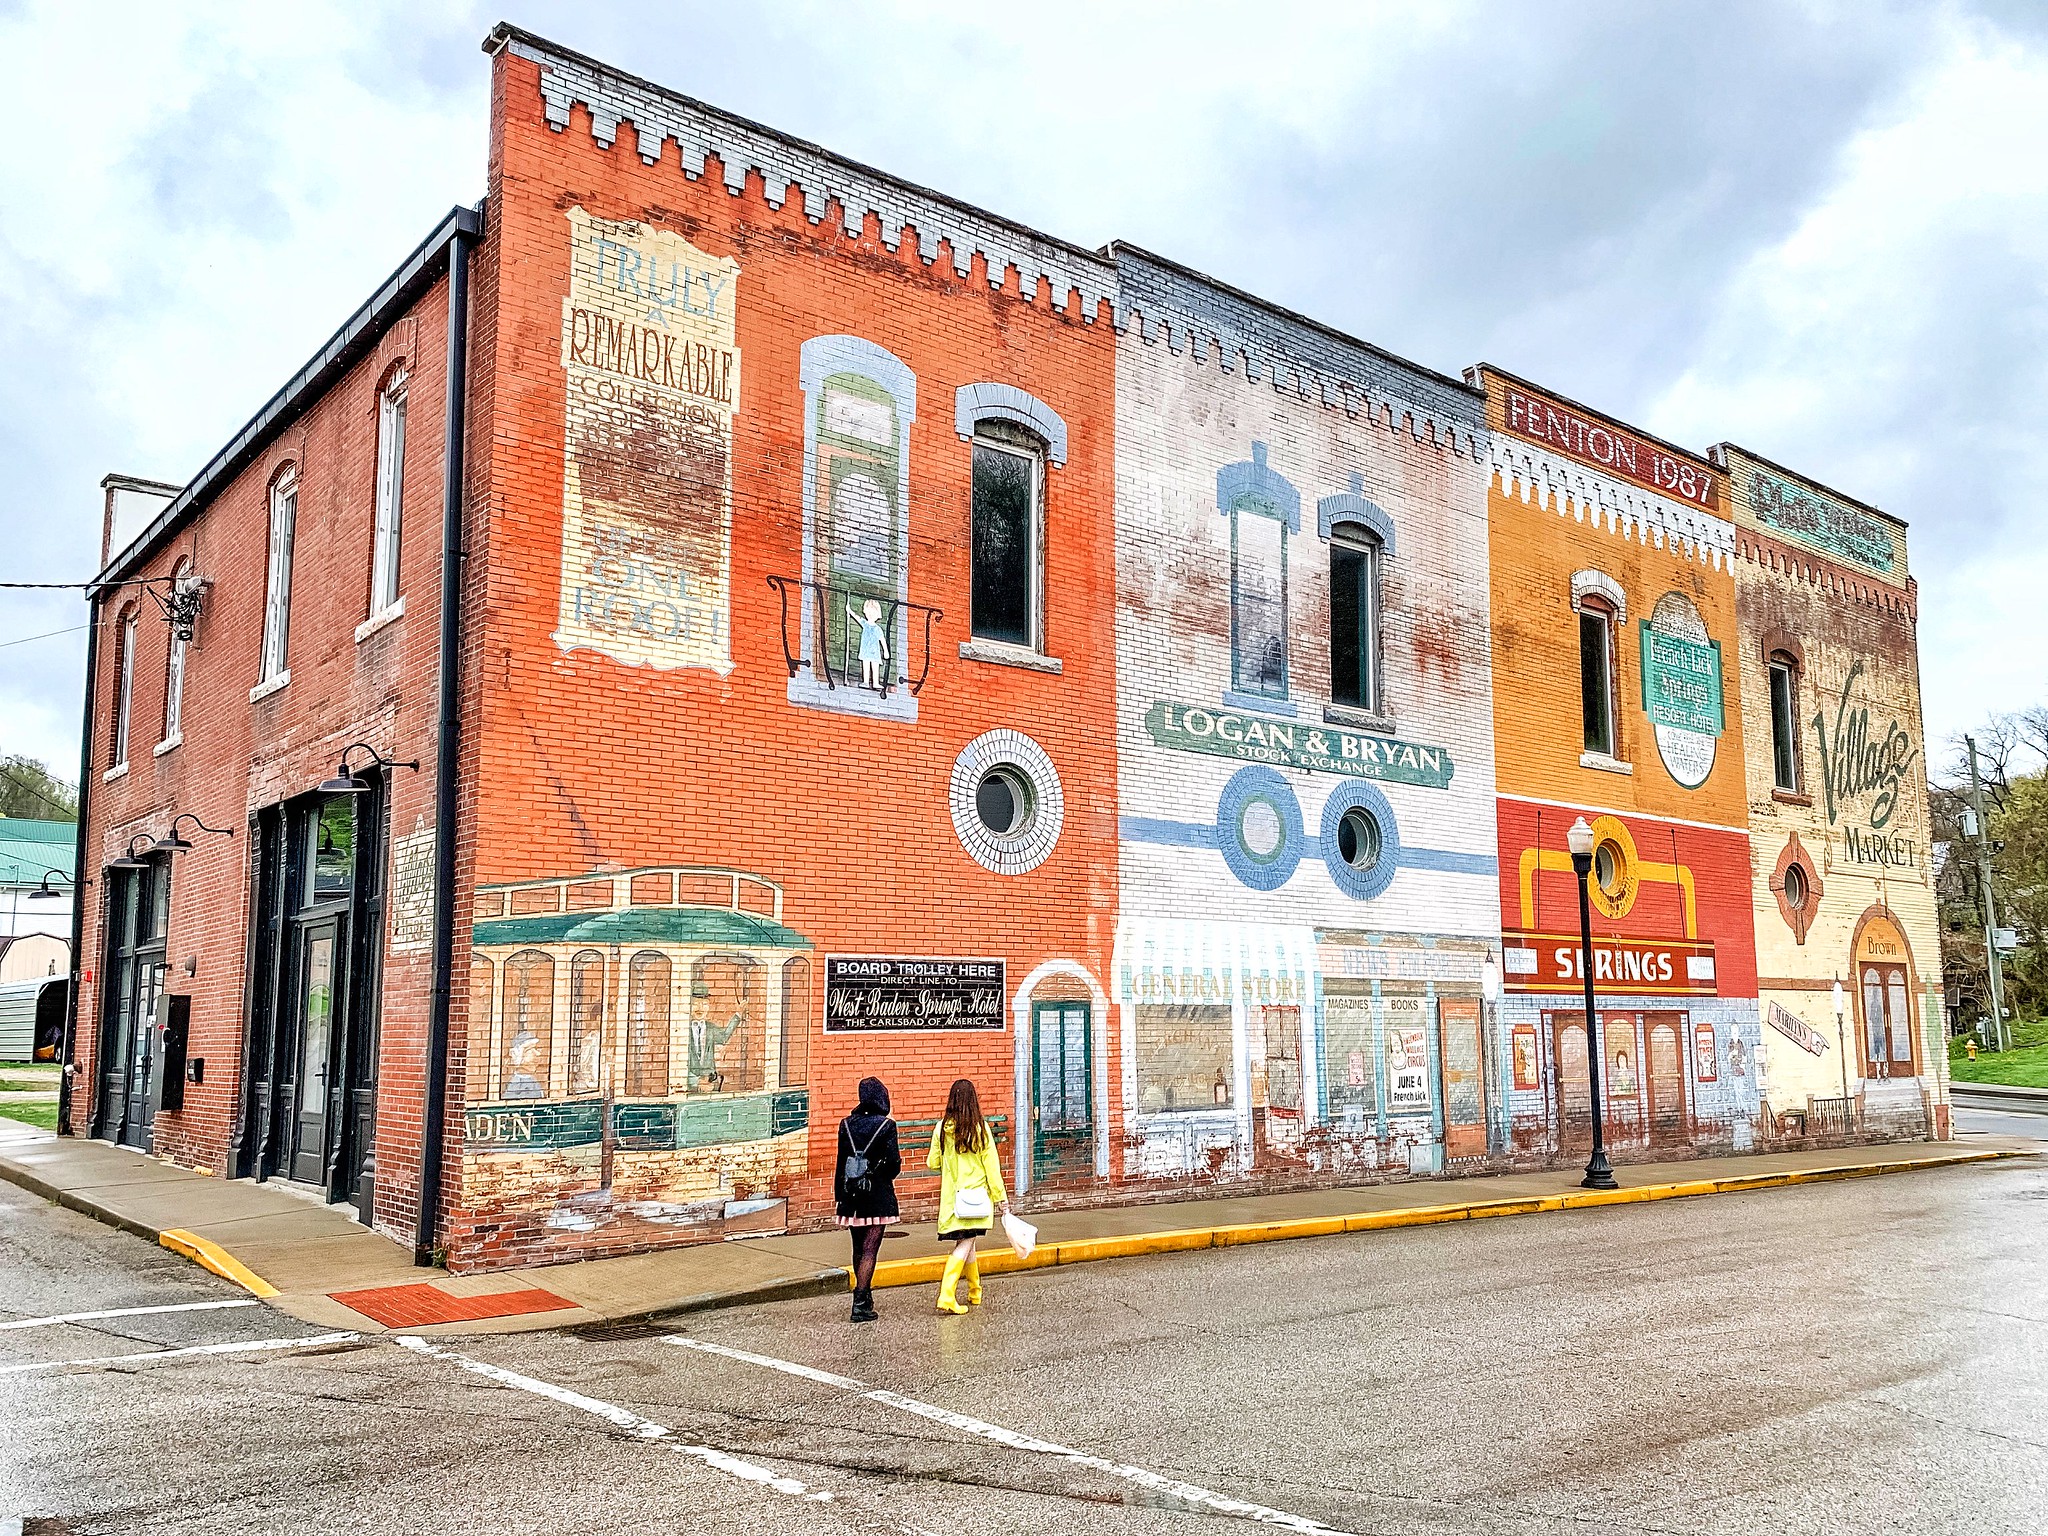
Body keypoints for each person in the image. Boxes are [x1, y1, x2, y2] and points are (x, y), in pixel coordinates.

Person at [928, 1077, 1007, 1315]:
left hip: (953, 1202)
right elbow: (992, 1168)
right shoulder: (980, 1129)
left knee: (968, 1242)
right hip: (976, 1201)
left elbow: (932, 1162)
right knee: (965, 1243)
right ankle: (947, 1294)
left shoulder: (941, 1128)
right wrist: (1001, 1199)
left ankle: (975, 1290)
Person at [834, 1076, 900, 1323]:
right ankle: (860, 1303)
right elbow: (893, 1164)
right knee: (870, 1250)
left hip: (851, 1196)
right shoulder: (886, 1126)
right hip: (876, 1195)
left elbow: (841, 1163)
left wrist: (839, 1195)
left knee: (857, 1249)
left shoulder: (846, 1124)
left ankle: (864, 1297)